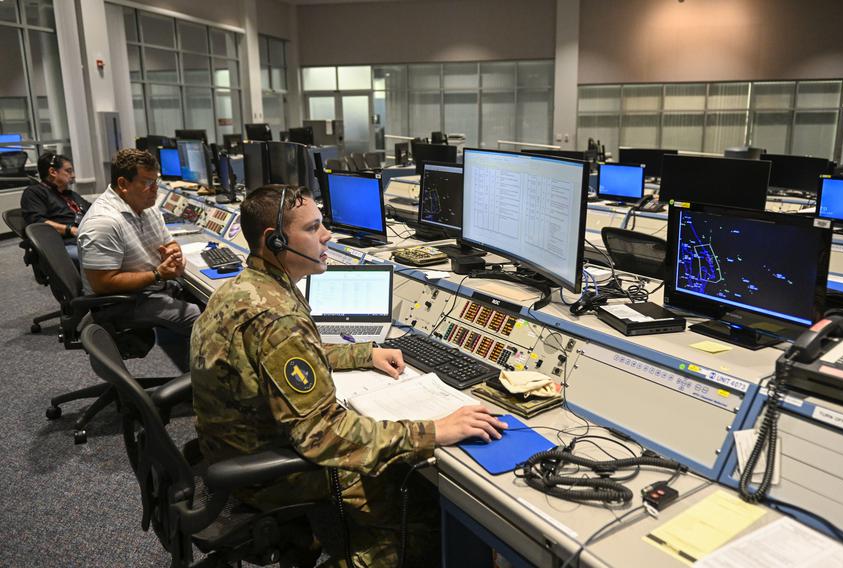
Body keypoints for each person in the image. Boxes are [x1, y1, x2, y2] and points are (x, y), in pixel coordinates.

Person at [191, 184, 506, 567]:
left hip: (235, 451)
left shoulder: (249, 288)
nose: (326, 236)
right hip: (270, 474)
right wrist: (435, 430)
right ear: (273, 240)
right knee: (420, 498)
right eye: (312, 228)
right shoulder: (279, 318)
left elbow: (284, 358)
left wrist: (363, 354)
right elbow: (323, 436)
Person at [77, 148, 200, 370]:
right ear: (123, 184)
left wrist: (173, 252)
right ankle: (206, 388)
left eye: (156, 182)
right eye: (147, 183)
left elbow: (168, 240)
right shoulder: (103, 223)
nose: (155, 190)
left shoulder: (146, 205)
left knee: (207, 299)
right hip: (119, 302)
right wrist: (157, 274)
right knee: (196, 315)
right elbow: (103, 283)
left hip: (151, 288)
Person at [20, 152, 90, 264]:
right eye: (68, 171)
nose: (73, 175)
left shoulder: (69, 194)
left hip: (85, 239)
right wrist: (70, 230)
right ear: (52, 172)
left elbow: (92, 209)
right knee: (100, 258)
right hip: (62, 245)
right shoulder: (34, 193)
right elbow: (38, 223)